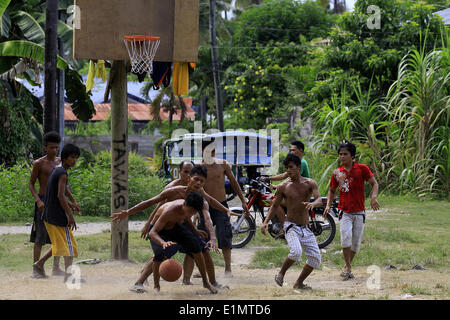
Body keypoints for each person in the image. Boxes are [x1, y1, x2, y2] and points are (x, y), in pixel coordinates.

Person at [111, 165, 232, 292]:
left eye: (201, 181)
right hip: (161, 224)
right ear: (189, 178)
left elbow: (207, 216)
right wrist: (128, 212)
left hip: (179, 224)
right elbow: (151, 203)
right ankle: (140, 282)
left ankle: (210, 282)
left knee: (202, 248)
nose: (198, 183)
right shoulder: (173, 190)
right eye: (196, 179)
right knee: (162, 254)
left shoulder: (200, 197)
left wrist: (212, 236)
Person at [261, 153, 322, 290]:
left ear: (299, 167)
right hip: (291, 226)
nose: (288, 171)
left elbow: (319, 199)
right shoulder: (283, 186)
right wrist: (266, 222)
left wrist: (314, 204)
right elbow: (275, 205)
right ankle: (281, 273)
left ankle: (299, 283)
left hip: (305, 227)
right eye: (286, 168)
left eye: (291, 167)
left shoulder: (310, 183)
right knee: (296, 252)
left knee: (315, 259)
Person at [324, 141, 380, 280]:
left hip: (360, 211)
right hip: (344, 211)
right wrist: (328, 206)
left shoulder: (362, 169)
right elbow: (331, 190)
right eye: (340, 154)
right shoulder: (337, 173)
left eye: (345, 154)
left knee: (355, 244)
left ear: (352, 156)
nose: (342, 157)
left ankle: (347, 265)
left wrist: (373, 198)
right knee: (346, 238)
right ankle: (348, 266)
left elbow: (374, 184)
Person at [149, 192, 218, 294]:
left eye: (193, 212)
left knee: (197, 247)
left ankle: (205, 282)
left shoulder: (187, 209)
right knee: (159, 254)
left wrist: (195, 231)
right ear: (184, 204)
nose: (191, 214)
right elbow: (152, 232)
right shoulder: (169, 212)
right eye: (190, 211)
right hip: (159, 231)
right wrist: (163, 242)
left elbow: (186, 217)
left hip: (174, 226)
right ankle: (156, 286)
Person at [32, 144, 81, 282]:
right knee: (68, 246)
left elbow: (58, 193)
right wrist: (70, 216)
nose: (74, 160)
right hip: (56, 216)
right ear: (65, 157)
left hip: (49, 214)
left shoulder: (57, 169)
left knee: (59, 245)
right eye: (72, 157)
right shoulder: (63, 173)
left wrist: (72, 204)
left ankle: (39, 264)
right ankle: (68, 276)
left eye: (76, 158)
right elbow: (60, 196)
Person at [201, 139, 250, 277]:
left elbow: (234, 183)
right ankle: (204, 268)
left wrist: (243, 201)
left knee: (225, 236)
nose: (210, 154)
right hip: (204, 207)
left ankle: (228, 268)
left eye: (212, 151)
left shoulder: (223, 164)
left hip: (221, 206)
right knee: (202, 238)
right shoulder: (198, 167)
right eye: (206, 151)